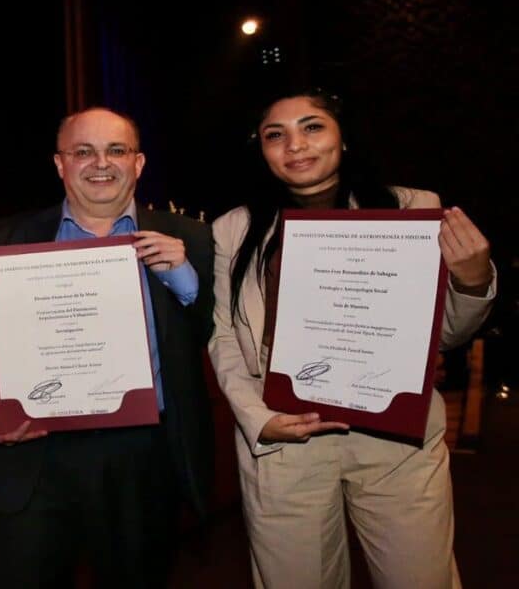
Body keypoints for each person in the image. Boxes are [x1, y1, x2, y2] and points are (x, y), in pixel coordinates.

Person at [209, 85, 497, 588]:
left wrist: (472, 280)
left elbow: (443, 335)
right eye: (276, 135)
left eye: (312, 127)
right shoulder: (234, 229)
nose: (295, 144)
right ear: (262, 149)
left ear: (345, 138)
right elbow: (224, 338)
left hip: (393, 436)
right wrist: (260, 420)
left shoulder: (413, 208)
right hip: (286, 433)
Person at [0, 107, 215, 587]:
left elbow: (220, 338)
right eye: (83, 151)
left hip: (144, 464)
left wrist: (184, 280)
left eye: (116, 150)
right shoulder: (3, 238)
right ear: (59, 164)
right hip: (35, 460)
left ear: (139, 163)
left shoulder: (191, 238)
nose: (100, 163)